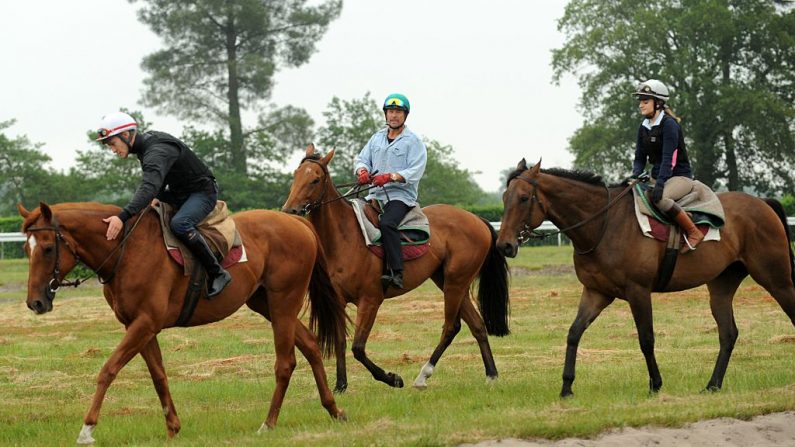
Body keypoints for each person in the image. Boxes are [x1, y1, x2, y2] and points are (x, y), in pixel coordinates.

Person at [96, 111, 232, 297]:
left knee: (180, 224)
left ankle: (218, 273)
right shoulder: (145, 147)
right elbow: (160, 180)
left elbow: (149, 186)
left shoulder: (156, 151)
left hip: (202, 193)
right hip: (178, 193)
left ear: (126, 135)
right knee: (145, 210)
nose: (112, 149)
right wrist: (156, 197)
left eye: (113, 143)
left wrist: (122, 217)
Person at [354, 93, 427, 289]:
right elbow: (362, 159)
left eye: (398, 112)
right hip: (373, 194)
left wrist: (390, 176)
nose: (394, 115)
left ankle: (397, 272)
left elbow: (415, 170)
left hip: (400, 197)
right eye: (391, 111)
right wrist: (362, 171)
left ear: (405, 116)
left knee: (387, 223)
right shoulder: (376, 138)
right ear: (386, 114)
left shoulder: (413, 141)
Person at [631, 79, 704, 253]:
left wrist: (661, 183)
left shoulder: (670, 125)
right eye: (640, 101)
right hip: (658, 175)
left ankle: (694, 232)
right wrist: (635, 175)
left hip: (679, 176)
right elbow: (639, 158)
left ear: (658, 103)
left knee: (660, 199)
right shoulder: (643, 127)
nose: (641, 105)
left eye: (645, 101)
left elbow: (668, 159)